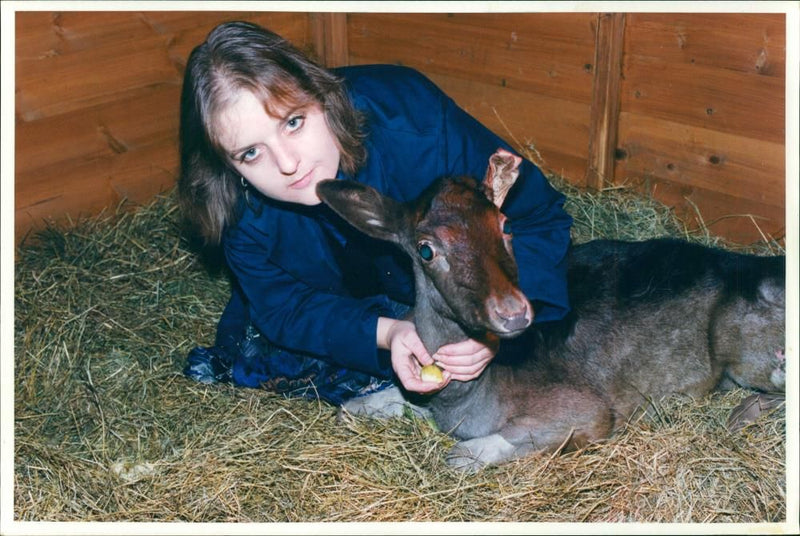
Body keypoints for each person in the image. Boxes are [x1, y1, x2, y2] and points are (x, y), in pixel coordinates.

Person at [178, 21, 573, 408]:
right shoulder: (238, 205)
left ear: (322, 96)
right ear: (226, 167)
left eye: (293, 122)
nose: (287, 164)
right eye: (251, 153)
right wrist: (388, 334)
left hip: (450, 287)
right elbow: (283, 306)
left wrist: (494, 326)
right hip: (361, 302)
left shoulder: (415, 121)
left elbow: (538, 217)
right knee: (257, 352)